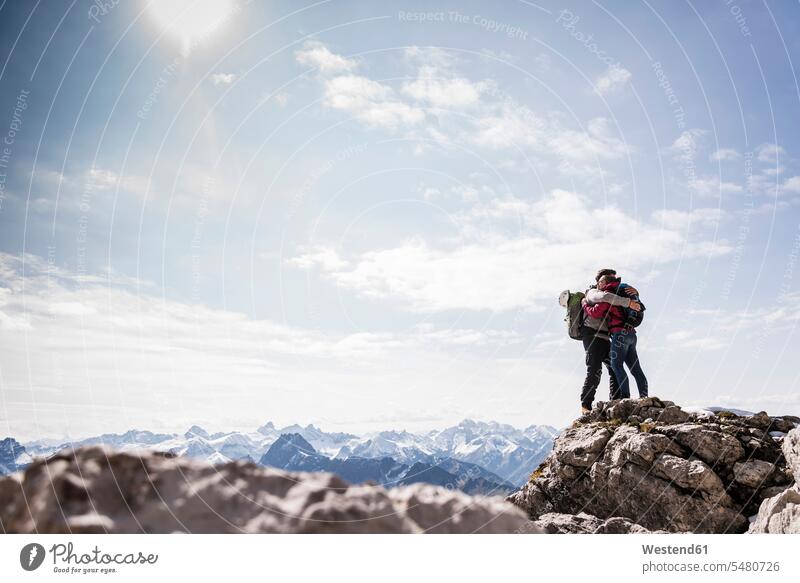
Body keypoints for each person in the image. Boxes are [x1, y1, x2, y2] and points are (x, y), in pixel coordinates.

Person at [578, 268, 641, 414]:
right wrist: (629, 303)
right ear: (600, 282)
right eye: (611, 279)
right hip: (592, 336)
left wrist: (635, 292)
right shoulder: (593, 293)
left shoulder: (612, 292)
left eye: (615, 279)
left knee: (614, 368)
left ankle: (615, 401)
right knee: (594, 370)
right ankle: (585, 406)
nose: (615, 282)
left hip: (606, 336)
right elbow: (606, 298)